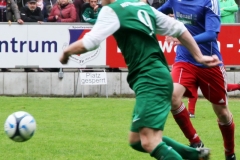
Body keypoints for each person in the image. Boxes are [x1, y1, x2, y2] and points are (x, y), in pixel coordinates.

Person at [59, 0, 222, 159]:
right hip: (156, 75)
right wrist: (199, 56)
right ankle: (195, 155)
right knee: (136, 140)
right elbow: (178, 28)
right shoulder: (141, 7)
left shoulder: (113, 10)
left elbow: (91, 42)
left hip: (150, 78)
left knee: (150, 141)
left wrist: (66, 52)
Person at [158, 1, 236, 160]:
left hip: (209, 62)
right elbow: (156, 14)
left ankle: (230, 153)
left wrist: (183, 38)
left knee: (222, 114)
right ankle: (196, 143)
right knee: (172, 97)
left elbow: (211, 34)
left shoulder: (210, 2)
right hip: (184, 59)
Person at [20, 0, 46, 72]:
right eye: (31, 3)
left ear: (36, 4)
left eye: (34, 4)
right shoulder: (24, 9)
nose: (32, 5)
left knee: (37, 50)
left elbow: (41, 18)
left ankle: (38, 66)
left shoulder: (38, 9)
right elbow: (24, 19)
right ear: (28, 4)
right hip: (25, 33)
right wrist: (35, 20)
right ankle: (27, 67)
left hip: (36, 33)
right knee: (26, 50)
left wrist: (30, 17)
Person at [0, 0, 24, 72]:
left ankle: (4, 66)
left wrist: (18, 19)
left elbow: (16, 10)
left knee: (4, 48)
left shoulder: (10, 2)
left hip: (6, 27)